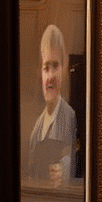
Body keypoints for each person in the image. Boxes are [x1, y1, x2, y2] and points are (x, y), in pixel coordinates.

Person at [27, 24, 77, 187]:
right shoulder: (37, 128)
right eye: (46, 68)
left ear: (63, 69)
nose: (50, 76)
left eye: (55, 66)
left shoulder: (69, 116)